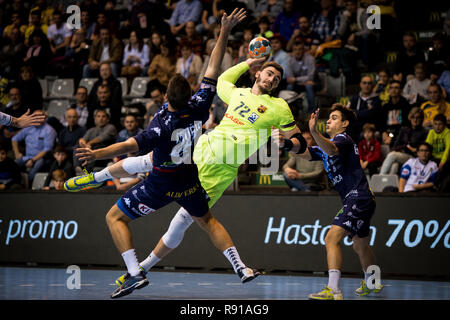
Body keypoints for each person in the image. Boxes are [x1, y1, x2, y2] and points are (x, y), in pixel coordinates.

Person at [66, 11, 306, 295]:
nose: (272, 78)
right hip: (197, 155)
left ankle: (142, 267)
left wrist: (288, 144)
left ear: (166, 98)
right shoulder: (228, 96)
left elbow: (299, 141)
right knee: (158, 172)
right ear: (258, 73)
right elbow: (221, 75)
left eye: (277, 78)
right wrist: (248, 61)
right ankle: (98, 178)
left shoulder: (279, 108)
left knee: (179, 219)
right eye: (269, 72)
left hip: (220, 169)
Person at [285, 104, 382, 300]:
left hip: (358, 197)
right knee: (360, 244)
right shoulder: (325, 147)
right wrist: (284, 143)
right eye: (328, 118)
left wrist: (314, 131)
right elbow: (303, 151)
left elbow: (332, 149)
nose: (329, 120)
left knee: (331, 238)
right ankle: (373, 281)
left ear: (344, 124)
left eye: (334, 118)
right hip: (359, 199)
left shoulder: (343, 139)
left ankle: (334, 289)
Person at [12, 109, 57, 185]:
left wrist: (33, 160)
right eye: (35, 116)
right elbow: (14, 139)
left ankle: (28, 186)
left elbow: (47, 149)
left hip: (41, 158)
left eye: (39, 117)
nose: (37, 118)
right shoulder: (28, 127)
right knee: (13, 164)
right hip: (27, 157)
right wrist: (17, 153)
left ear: (44, 118)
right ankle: (15, 184)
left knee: (36, 167)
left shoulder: (49, 130)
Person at [380, 107, 428, 175]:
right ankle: (387, 184)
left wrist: (410, 149)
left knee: (392, 155)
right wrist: (400, 149)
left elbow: (423, 149)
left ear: (421, 119)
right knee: (394, 166)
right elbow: (395, 146)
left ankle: (379, 178)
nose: (415, 120)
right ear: (410, 118)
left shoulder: (424, 132)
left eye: (418, 118)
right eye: (413, 117)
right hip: (401, 155)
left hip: (414, 157)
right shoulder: (404, 130)